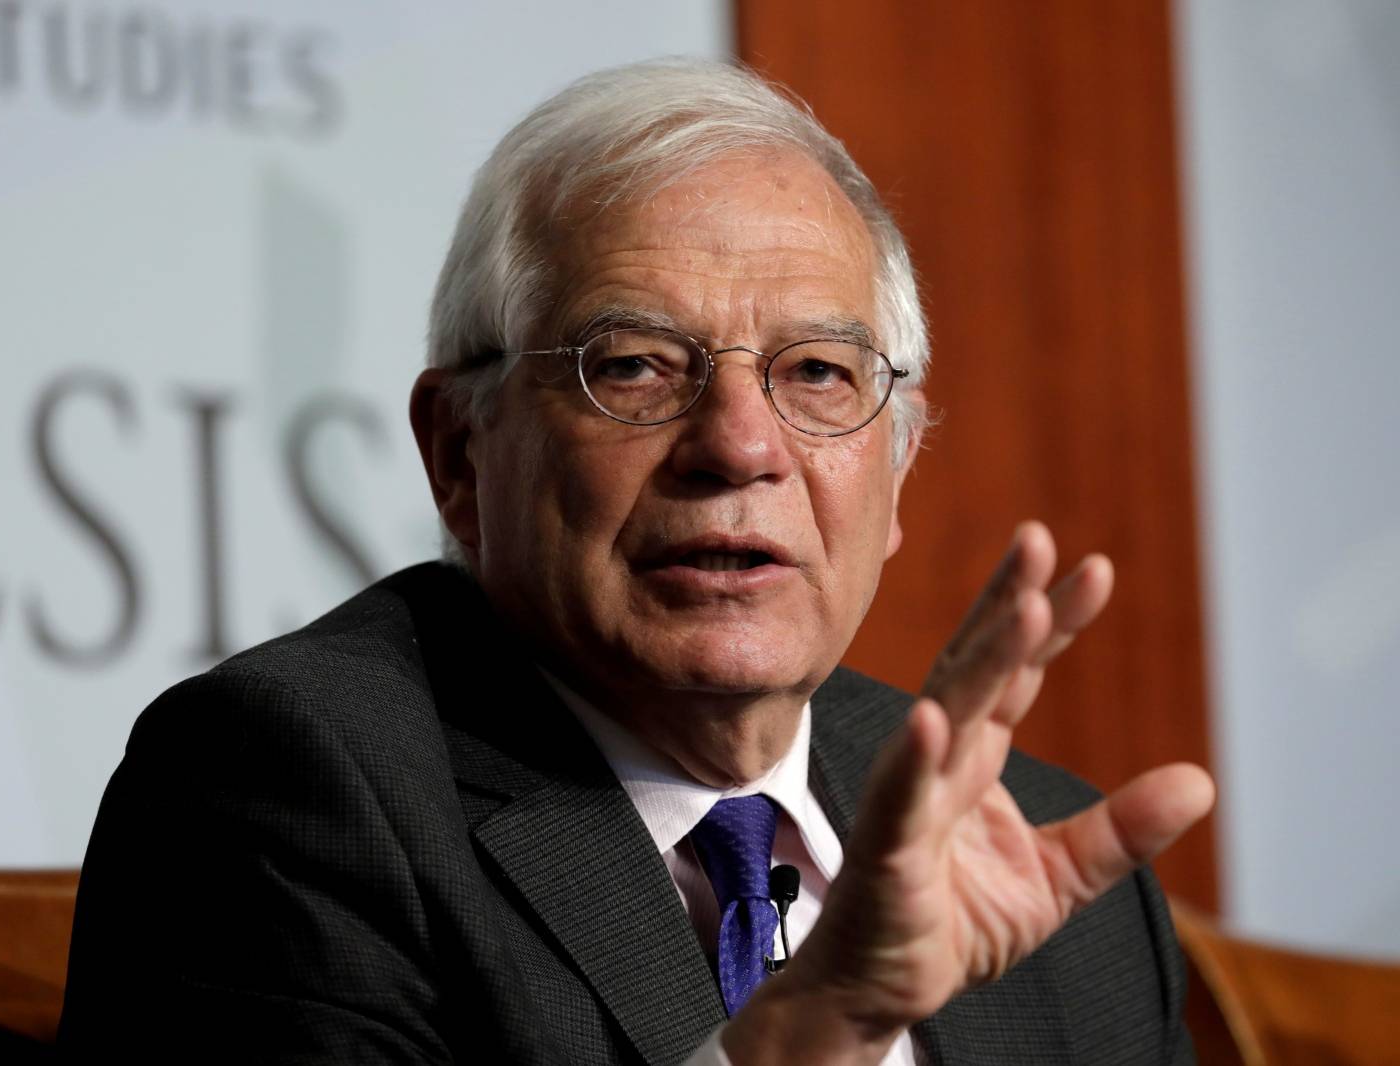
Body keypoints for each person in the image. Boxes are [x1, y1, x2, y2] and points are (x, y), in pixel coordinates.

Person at [59, 59, 1214, 1064]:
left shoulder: (1051, 880)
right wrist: (812, 1035)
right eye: (636, 365)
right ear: (458, 452)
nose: (740, 446)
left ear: (897, 469)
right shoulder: (290, 788)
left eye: (817, 372)